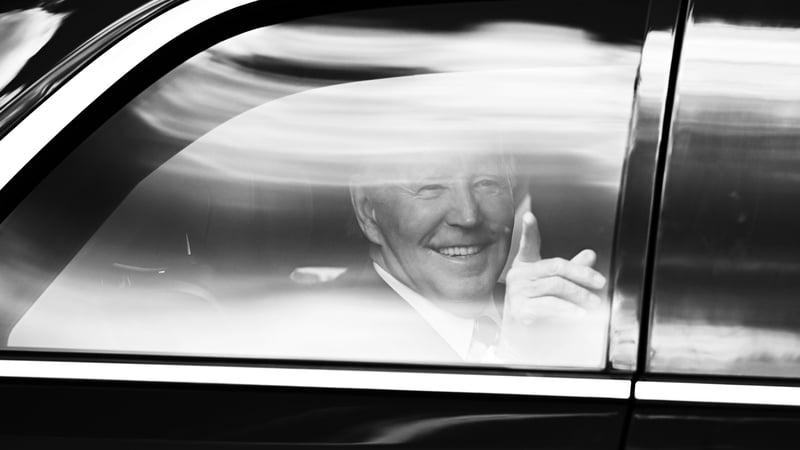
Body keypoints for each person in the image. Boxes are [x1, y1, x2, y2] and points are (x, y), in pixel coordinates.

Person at [349, 149, 607, 364]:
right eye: (432, 186)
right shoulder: (329, 339)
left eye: (486, 183)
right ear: (367, 212)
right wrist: (515, 359)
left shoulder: (555, 320)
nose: (468, 215)